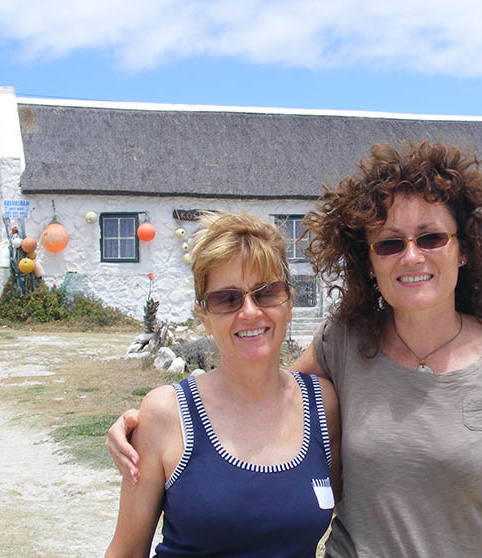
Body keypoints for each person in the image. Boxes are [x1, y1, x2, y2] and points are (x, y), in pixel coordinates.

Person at [109, 142, 482, 557]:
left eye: (430, 238)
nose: (411, 256)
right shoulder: (346, 344)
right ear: (369, 261)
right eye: (390, 244)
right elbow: (258, 395)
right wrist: (146, 425)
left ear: (464, 248)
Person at [105, 211, 341, 558]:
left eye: (266, 293)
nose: (249, 312)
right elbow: (126, 551)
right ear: (204, 317)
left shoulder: (322, 406)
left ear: (289, 302)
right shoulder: (165, 414)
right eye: (227, 299)